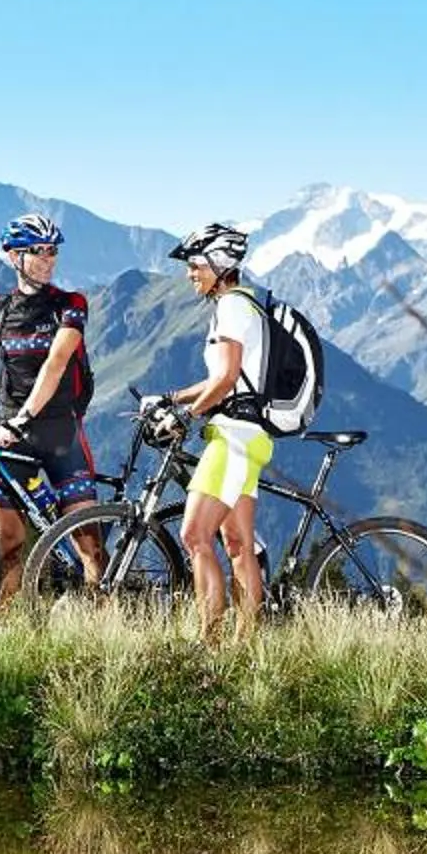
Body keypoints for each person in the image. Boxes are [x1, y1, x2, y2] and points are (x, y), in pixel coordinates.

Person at [0, 212, 104, 599]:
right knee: (9, 545)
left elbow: (57, 361)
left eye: (52, 251)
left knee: (89, 547)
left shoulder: (70, 304)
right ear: (13, 256)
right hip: (10, 436)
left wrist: (24, 417)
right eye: (38, 252)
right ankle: (3, 625)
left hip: (60, 431)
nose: (48, 259)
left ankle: (105, 622)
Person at [143, 222, 271, 641]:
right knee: (237, 544)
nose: (189, 273)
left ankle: (209, 643)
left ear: (220, 263)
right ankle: (244, 646)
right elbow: (223, 377)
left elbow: (227, 378)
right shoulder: (243, 304)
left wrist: (187, 416)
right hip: (248, 436)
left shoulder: (231, 308)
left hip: (233, 436)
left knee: (194, 535)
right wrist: (174, 397)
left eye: (196, 264)